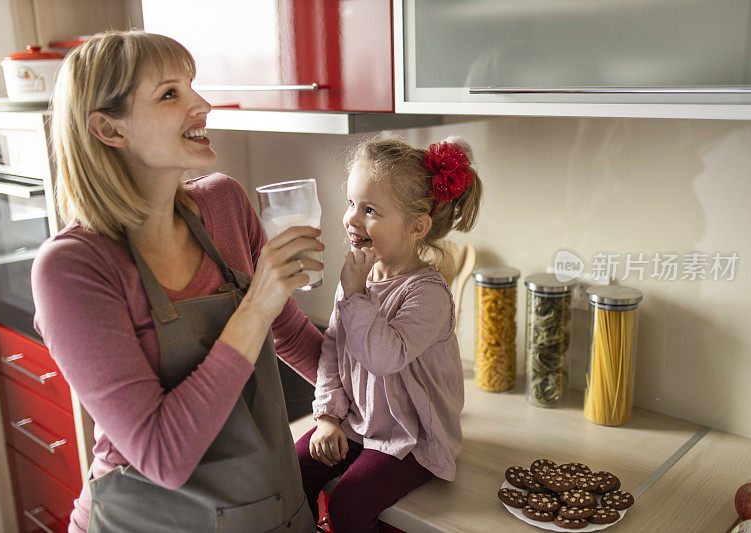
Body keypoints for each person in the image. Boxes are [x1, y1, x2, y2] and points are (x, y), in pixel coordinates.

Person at [31, 31, 324, 532]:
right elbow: (162, 455)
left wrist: (393, 397)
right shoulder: (74, 268)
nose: (203, 105)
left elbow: (294, 337)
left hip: (276, 512)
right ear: (109, 130)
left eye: (193, 87)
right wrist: (257, 306)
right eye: (171, 94)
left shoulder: (224, 205)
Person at [295, 136, 483, 532]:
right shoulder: (359, 277)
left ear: (417, 227)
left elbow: (383, 358)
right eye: (351, 203)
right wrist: (328, 416)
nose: (351, 218)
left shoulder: (428, 294)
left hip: (410, 439)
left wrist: (356, 291)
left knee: (348, 505)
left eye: (370, 210)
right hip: (357, 421)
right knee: (291, 471)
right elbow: (333, 347)